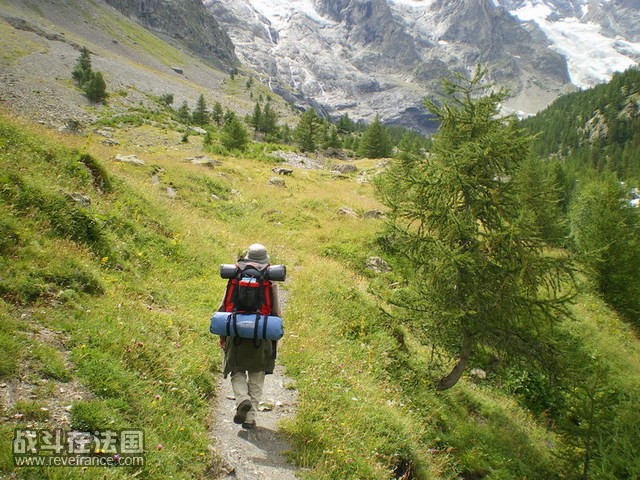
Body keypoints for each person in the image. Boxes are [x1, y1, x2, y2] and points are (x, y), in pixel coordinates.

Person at [217, 243, 281, 430]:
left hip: (235, 329)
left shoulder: (236, 275)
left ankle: (242, 399)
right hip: (260, 333)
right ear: (265, 260)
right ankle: (250, 418)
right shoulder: (269, 279)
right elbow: (276, 311)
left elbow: (224, 306)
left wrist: (223, 334)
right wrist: (274, 337)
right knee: (257, 374)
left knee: (235, 369)